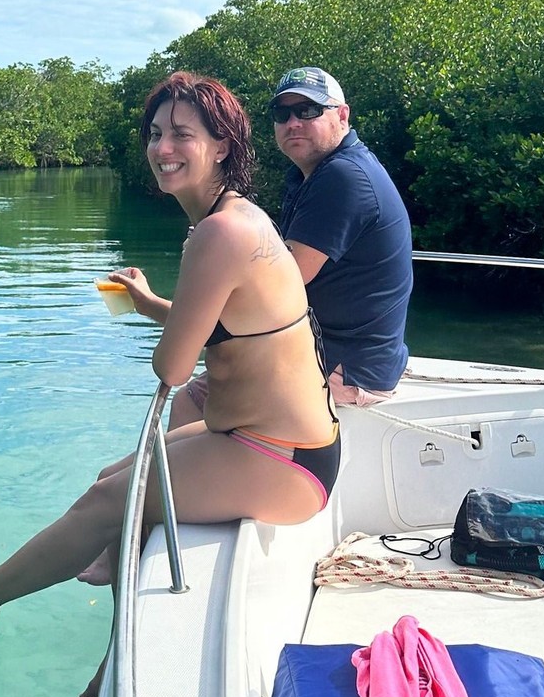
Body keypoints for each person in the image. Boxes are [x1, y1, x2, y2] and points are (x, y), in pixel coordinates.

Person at [0, 72, 339, 697]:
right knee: (109, 481)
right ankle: (114, 656)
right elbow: (222, 318)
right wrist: (146, 305)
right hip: (268, 442)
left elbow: (171, 370)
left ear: (221, 145)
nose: (162, 146)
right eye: (155, 133)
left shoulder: (220, 233)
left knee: (108, 505)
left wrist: (165, 340)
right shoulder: (232, 218)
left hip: (283, 460)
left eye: (182, 134)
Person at [172, 67, 412, 428]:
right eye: (281, 114)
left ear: (342, 115)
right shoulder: (314, 173)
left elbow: (279, 282)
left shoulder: (342, 177)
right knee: (197, 394)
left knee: (195, 400)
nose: (293, 122)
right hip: (330, 351)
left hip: (345, 368)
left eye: (308, 111)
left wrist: (206, 259)